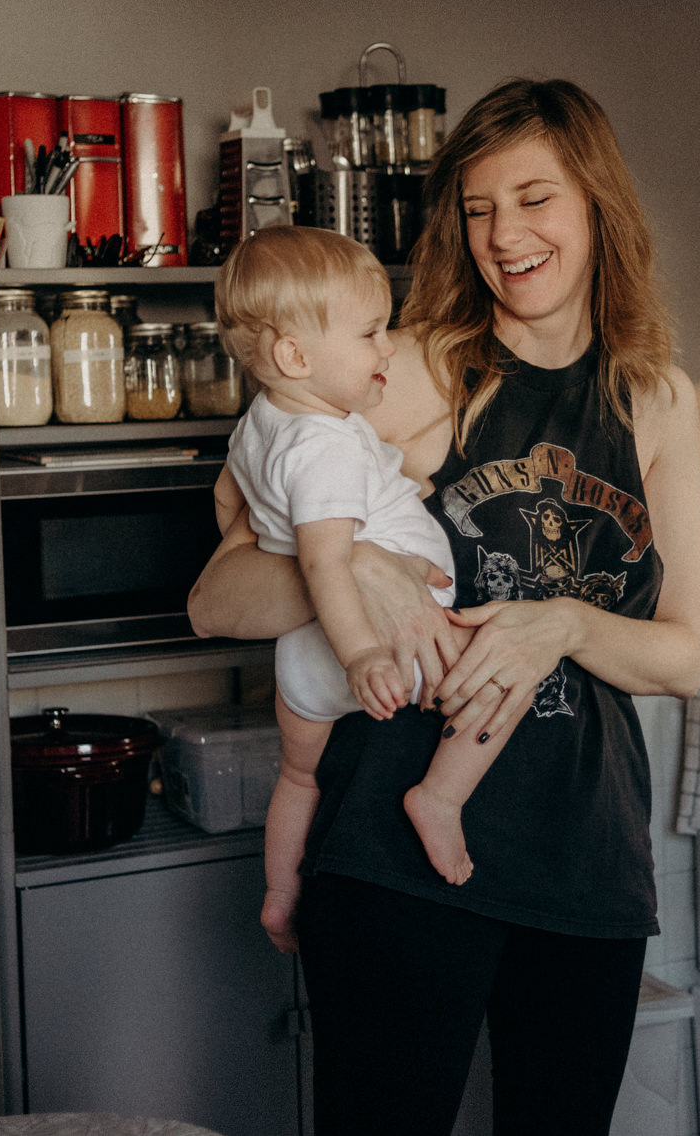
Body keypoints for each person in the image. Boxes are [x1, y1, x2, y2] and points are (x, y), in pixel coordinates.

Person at [189, 77, 700, 1136]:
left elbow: (682, 655)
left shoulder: (653, 396)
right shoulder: (412, 368)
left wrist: (561, 621)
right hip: (396, 861)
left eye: (532, 199)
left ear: (596, 204)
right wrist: (364, 570)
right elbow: (215, 598)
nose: (501, 234)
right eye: (476, 207)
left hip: (585, 860)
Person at [212, 227, 508, 954]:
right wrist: (364, 655)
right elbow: (326, 565)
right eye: (372, 333)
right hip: (381, 643)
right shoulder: (329, 446)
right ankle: (439, 797)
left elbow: (234, 511)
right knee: (509, 669)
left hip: (299, 662)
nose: (387, 349)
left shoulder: (264, 424)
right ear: (295, 355)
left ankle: (282, 895)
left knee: (298, 775)